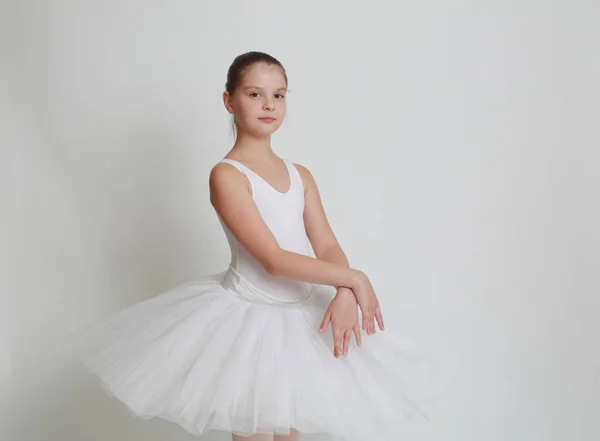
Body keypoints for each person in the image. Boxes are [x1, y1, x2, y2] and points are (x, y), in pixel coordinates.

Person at [73, 51, 436, 441]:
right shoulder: (227, 176)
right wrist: (356, 278)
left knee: (290, 432)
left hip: (301, 321)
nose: (268, 105)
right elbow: (273, 260)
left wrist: (344, 290)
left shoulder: (301, 175)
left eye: (278, 95)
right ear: (229, 101)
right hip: (250, 324)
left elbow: (326, 243)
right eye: (254, 94)